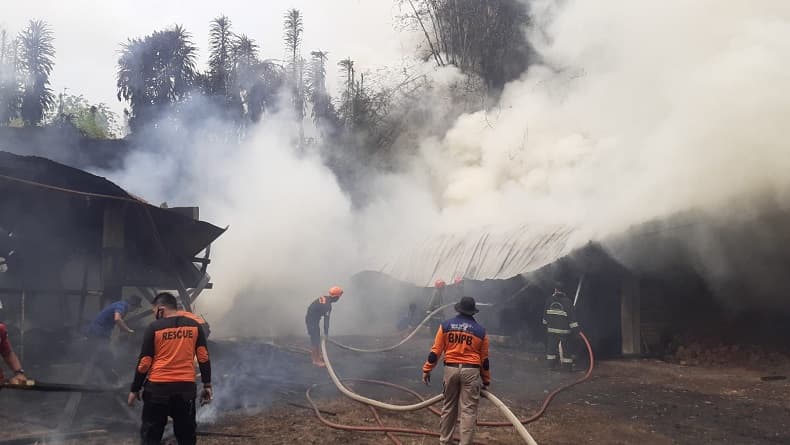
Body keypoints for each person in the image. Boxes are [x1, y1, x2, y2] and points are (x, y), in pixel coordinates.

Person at [127, 292, 212, 445]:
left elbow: (145, 362)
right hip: (185, 390)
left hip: (157, 390)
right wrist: (207, 384)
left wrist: (135, 389)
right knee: (186, 435)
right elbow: (203, 357)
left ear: (161, 308)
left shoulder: (153, 328)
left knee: (151, 436)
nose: (154, 316)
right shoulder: (194, 326)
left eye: (154, 312)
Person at [422, 297, 490, 445]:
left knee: (448, 407)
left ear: (458, 309)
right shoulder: (480, 331)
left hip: (451, 369)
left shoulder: (446, 326)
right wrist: (486, 380)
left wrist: (427, 369)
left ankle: (445, 441)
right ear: (473, 312)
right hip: (471, 371)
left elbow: (435, 352)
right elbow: (484, 360)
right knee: (468, 411)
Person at [543, 283, 580, 371]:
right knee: (567, 349)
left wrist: (546, 326)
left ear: (555, 289)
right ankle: (567, 368)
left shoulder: (549, 300)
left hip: (551, 331)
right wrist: (577, 331)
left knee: (551, 349)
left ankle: (550, 366)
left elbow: (545, 317)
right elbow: (572, 319)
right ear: (565, 291)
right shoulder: (568, 301)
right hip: (564, 332)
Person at [305, 286, 343, 367]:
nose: (339, 299)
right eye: (339, 297)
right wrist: (326, 333)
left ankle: (318, 355)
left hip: (313, 319)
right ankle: (316, 360)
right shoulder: (327, 306)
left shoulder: (325, 298)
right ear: (336, 297)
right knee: (315, 340)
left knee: (317, 338)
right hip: (311, 321)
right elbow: (326, 321)